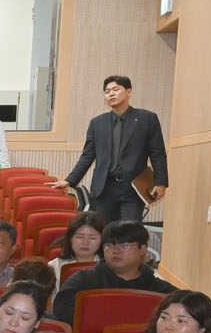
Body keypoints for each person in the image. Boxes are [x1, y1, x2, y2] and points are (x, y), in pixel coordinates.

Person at [58, 74, 168, 226]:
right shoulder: (97, 123)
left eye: (116, 89)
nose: (111, 94)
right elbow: (87, 156)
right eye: (107, 91)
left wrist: (161, 183)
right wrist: (69, 180)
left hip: (133, 187)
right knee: (104, 232)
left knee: (129, 232)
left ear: (129, 92)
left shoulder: (147, 119)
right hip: (104, 188)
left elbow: (157, 153)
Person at [51, 221, 175, 323]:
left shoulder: (160, 290)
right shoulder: (83, 280)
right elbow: (62, 307)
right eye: (109, 245)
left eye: (125, 245)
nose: (116, 251)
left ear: (142, 249)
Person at [50, 211, 107, 279]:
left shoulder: (110, 266)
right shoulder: (54, 266)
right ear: (70, 238)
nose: (85, 243)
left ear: (102, 240)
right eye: (80, 237)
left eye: (92, 238)